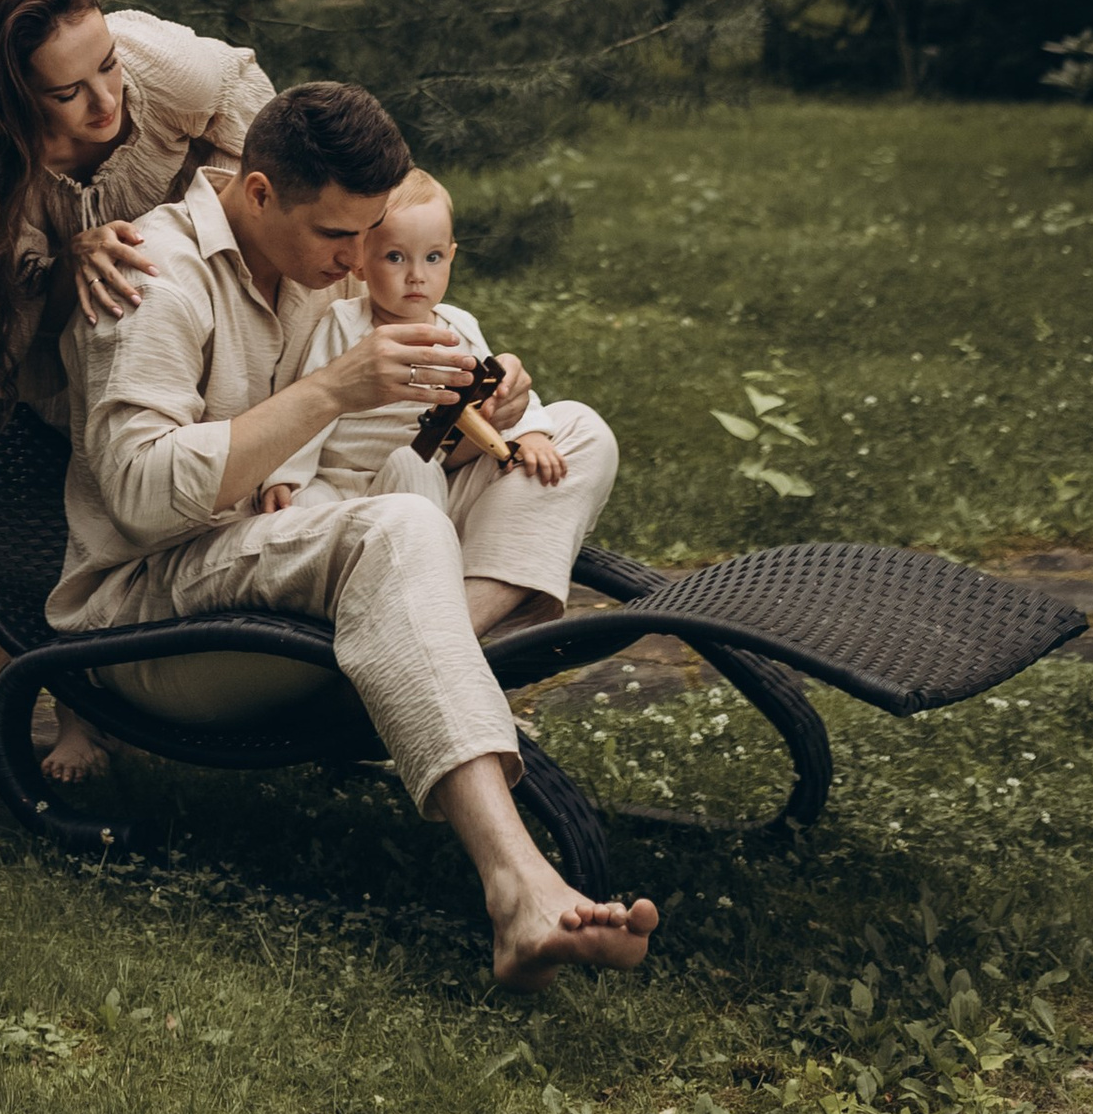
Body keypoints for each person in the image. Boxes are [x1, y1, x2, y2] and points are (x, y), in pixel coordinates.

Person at [51, 79, 660, 991]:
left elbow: (379, 446)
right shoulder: (153, 276)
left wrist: (475, 407)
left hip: (294, 548)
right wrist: (333, 389)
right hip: (151, 615)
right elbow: (139, 495)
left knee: (572, 435)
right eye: (341, 238)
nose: (356, 260)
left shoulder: (308, 258)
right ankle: (520, 886)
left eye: (368, 234)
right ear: (259, 195)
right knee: (400, 524)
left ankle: (421, 645)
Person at [0, 0, 273, 772]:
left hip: (179, 295)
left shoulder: (164, 65)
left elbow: (266, 150)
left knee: (165, 460)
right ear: (11, 97)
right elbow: (5, 300)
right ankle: (37, 689)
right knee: (46, 470)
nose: (105, 99)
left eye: (106, 66)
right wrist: (68, 260)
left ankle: (156, 673)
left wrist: (194, 227)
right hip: (51, 334)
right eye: (67, 92)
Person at [276, 168, 619, 644]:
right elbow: (310, 401)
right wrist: (285, 476)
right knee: (404, 465)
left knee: (584, 429)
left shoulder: (457, 326)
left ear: (452, 257)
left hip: (437, 484)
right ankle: (435, 621)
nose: (416, 275)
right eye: (395, 257)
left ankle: (450, 611)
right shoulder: (344, 325)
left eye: (433, 257)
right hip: (350, 495)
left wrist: (531, 431)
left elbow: (495, 390)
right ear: (360, 263)